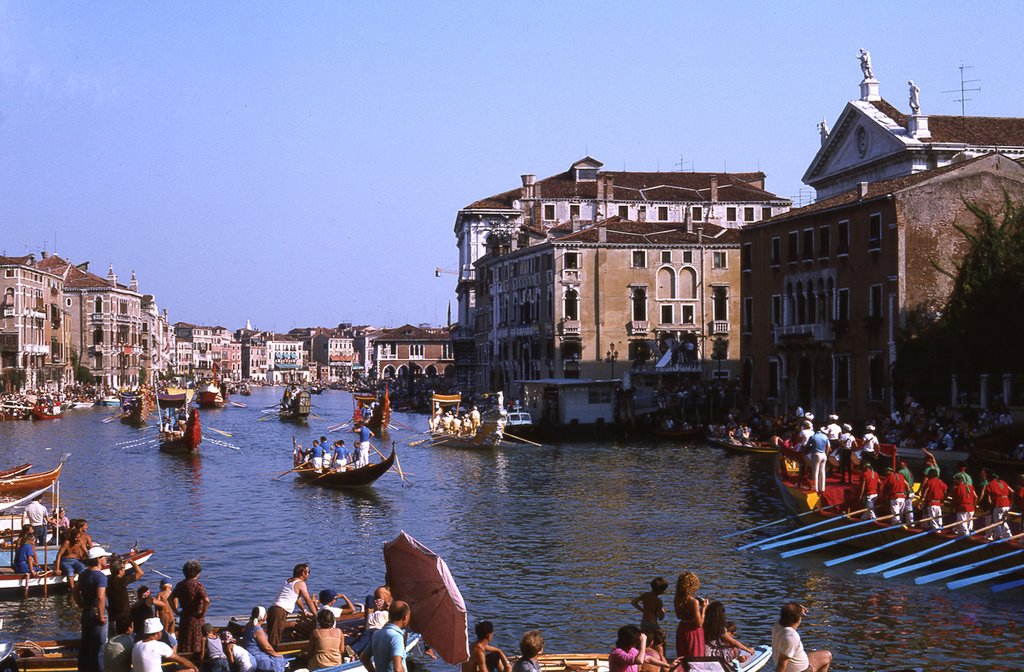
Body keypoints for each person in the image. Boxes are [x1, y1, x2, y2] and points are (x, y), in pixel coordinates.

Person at [74, 546, 111, 672]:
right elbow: (101, 597)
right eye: (105, 557)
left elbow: (75, 591)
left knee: (86, 645)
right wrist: (101, 615)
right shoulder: (100, 576)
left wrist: (81, 604)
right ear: (99, 560)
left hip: (86, 611)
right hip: (96, 613)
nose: (106, 559)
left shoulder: (83, 574)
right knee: (99, 648)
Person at [266, 562, 315, 648]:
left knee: (273, 635)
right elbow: (308, 601)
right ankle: (272, 656)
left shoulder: (289, 581)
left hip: (273, 609)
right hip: (279, 611)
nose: (309, 574)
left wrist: (304, 610)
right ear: (303, 573)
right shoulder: (300, 583)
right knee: (274, 639)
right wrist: (316, 615)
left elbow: (297, 598)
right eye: (309, 572)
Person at [772, 603, 831, 672]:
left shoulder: (777, 626)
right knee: (827, 656)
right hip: (803, 670)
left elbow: (787, 613)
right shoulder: (792, 636)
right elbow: (782, 662)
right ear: (797, 620)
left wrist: (797, 608)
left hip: (792, 667)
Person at [170, 559, 210, 654]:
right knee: (196, 639)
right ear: (197, 573)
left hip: (185, 616)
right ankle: (196, 659)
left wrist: (175, 611)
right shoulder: (198, 585)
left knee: (185, 639)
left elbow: (170, 598)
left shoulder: (180, 584)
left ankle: (185, 656)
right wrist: (203, 612)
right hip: (197, 617)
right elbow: (207, 600)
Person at [360, 600, 412, 672]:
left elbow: (364, 658)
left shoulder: (377, 634)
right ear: (405, 617)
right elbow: (398, 668)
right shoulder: (396, 637)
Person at [132, 617, 197, 672]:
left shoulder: (137, 645)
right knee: (191, 670)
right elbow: (181, 660)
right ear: (157, 633)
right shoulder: (159, 646)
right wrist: (194, 667)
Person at [673, 571, 707, 660]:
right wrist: (703, 608)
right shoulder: (693, 602)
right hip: (693, 632)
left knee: (683, 657)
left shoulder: (677, 599)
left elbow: (678, 616)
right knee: (695, 658)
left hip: (682, 628)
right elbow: (699, 623)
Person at [242, 606, 287, 672]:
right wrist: (275, 654)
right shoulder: (257, 629)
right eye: (265, 613)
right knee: (279, 660)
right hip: (257, 654)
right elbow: (267, 647)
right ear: (262, 617)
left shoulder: (249, 624)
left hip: (249, 651)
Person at [107, 556, 144, 625]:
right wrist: (131, 561)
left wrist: (122, 566)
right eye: (123, 569)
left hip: (112, 614)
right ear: (120, 571)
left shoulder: (109, 580)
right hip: (123, 614)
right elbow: (140, 573)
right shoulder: (122, 580)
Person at [984, 472, 1012, 539]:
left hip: (999, 504)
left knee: (997, 522)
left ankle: (999, 536)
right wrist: (1011, 503)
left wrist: (991, 508)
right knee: (1003, 521)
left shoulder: (990, 484)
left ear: (989, 478)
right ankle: (1008, 534)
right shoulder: (1003, 482)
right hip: (1007, 504)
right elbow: (1012, 491)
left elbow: (989, 499)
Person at [807, 427, 830, 493]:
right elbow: (828, 446)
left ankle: (816, 488)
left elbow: (808, 445)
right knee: (822, 472)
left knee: (815, 471)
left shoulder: (813, 437)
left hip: (816, 454)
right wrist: (826, 453)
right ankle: (822, 488)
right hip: (823, 454)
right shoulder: (825, 437)